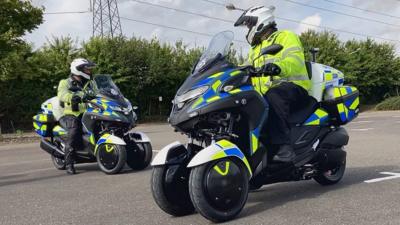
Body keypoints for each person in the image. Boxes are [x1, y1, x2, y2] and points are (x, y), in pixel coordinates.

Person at [234, 6, 311, 162]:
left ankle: (285, 147)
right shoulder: (255, 49)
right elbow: (245, 67)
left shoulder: (285, 37)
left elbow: (295, 61)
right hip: (266, 94)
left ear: (260, 21)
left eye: (249, 25)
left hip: (294, 88)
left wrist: (278, 67)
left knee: (274, 95)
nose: (248, 29)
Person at [57, 58, 96, 174]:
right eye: (86, 68)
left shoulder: (91, 83)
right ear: (78, 70)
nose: (89, 70)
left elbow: (99, 92)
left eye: (89, 68)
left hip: (90, 112)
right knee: (74, 130)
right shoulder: (65, 82)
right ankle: (69, 162)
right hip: (72, 114)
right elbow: (62, 95)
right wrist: (72, 97)